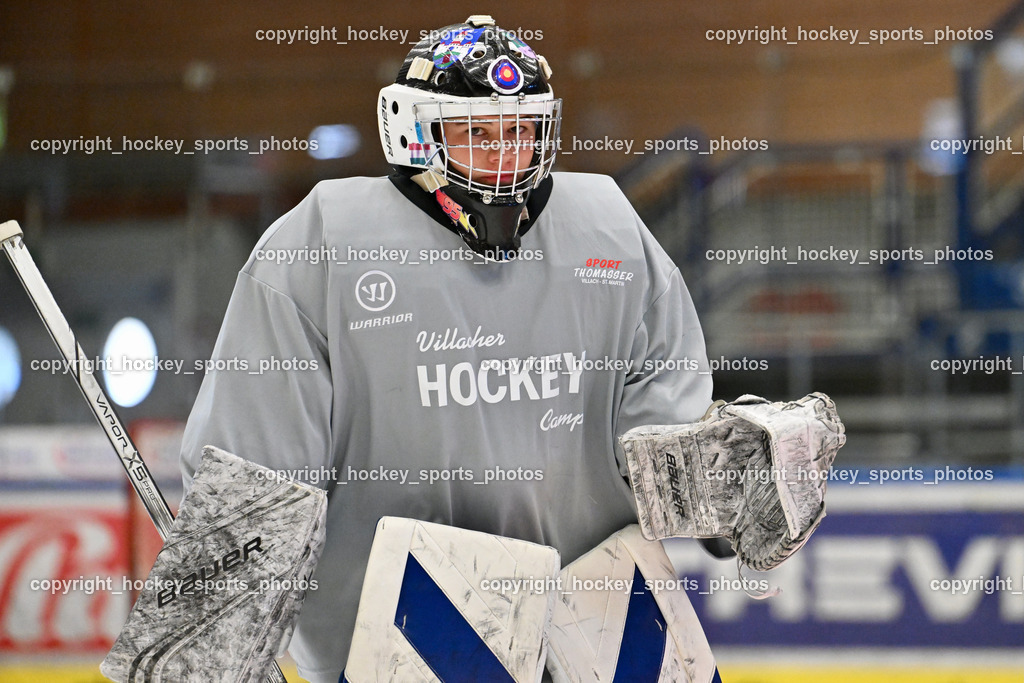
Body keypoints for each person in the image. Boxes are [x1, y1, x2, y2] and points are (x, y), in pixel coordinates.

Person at [180, 15, 712, 682]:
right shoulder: (318, 245)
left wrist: (728, 481)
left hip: (603, 630)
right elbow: (250, 478)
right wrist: (218, 638)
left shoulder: (608, 227)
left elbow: (665, 431)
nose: (505, 156)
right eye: (476, 134)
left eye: (521, 131)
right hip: (403, 642)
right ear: (414, 133)